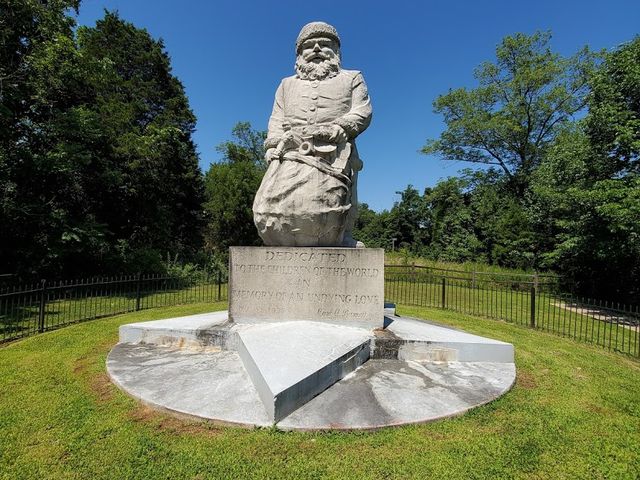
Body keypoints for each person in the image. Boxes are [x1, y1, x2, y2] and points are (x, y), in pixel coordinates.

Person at [253, 21, 372, 247]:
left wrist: (342, 127)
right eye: (309, 46)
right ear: (299, 54)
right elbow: (276, 119)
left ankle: (342, 236)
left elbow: (362, 111)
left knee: (331, 205)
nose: (316, 49)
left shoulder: (352, 78)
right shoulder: (286, 84)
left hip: (334, 153)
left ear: (336, 51)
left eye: (324, 44)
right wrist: (272, 146)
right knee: (267, 208)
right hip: (290, 152)